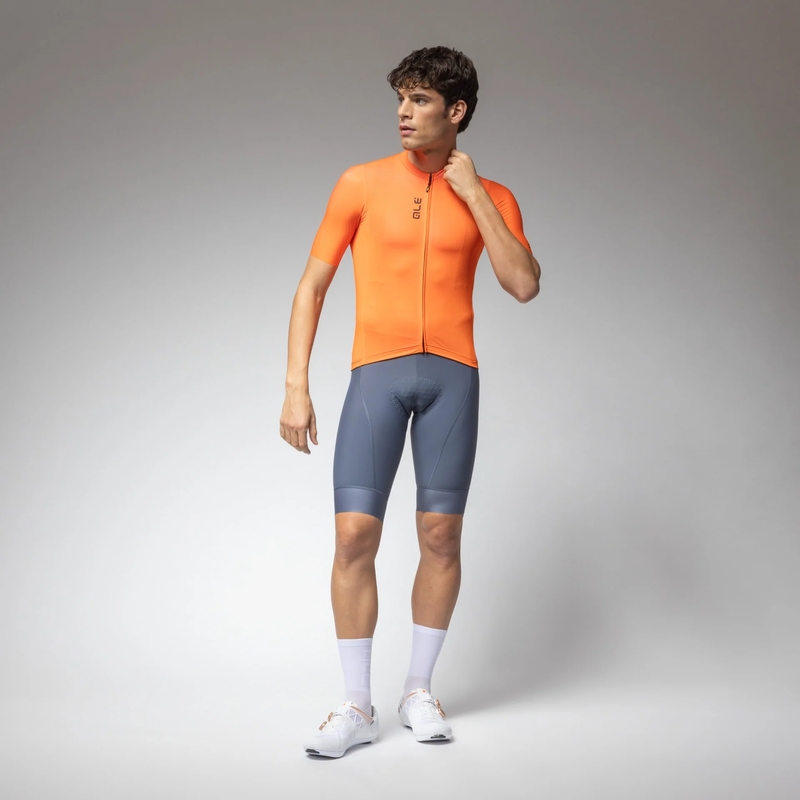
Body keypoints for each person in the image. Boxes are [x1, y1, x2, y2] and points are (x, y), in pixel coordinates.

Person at [280, 46, 540, 758]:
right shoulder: (360, 183)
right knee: (353, 536)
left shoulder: (494, 195)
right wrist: (297, 385)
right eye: (401, 97)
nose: (403, 112)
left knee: (440, 536)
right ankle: (356, 706)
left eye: (420, 100)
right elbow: (311, 286)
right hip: (377, 376)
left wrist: (475, 193)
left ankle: (419, 690)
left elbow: (523, 284)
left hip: (453, 376)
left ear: (456, 111)